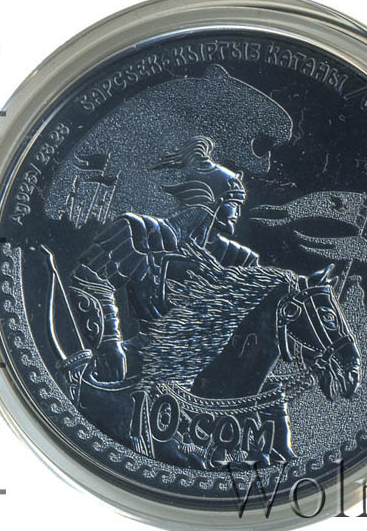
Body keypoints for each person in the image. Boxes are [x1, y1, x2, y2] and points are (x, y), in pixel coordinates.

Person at [69, 136, 259, 383]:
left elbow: (254, 323)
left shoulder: (240, 259)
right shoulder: (140, 233)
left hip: (211, 371)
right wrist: (108, 345)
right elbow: (91, 280)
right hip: (141, 359)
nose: (238, 212)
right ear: (212, 200)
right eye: (234, 203)